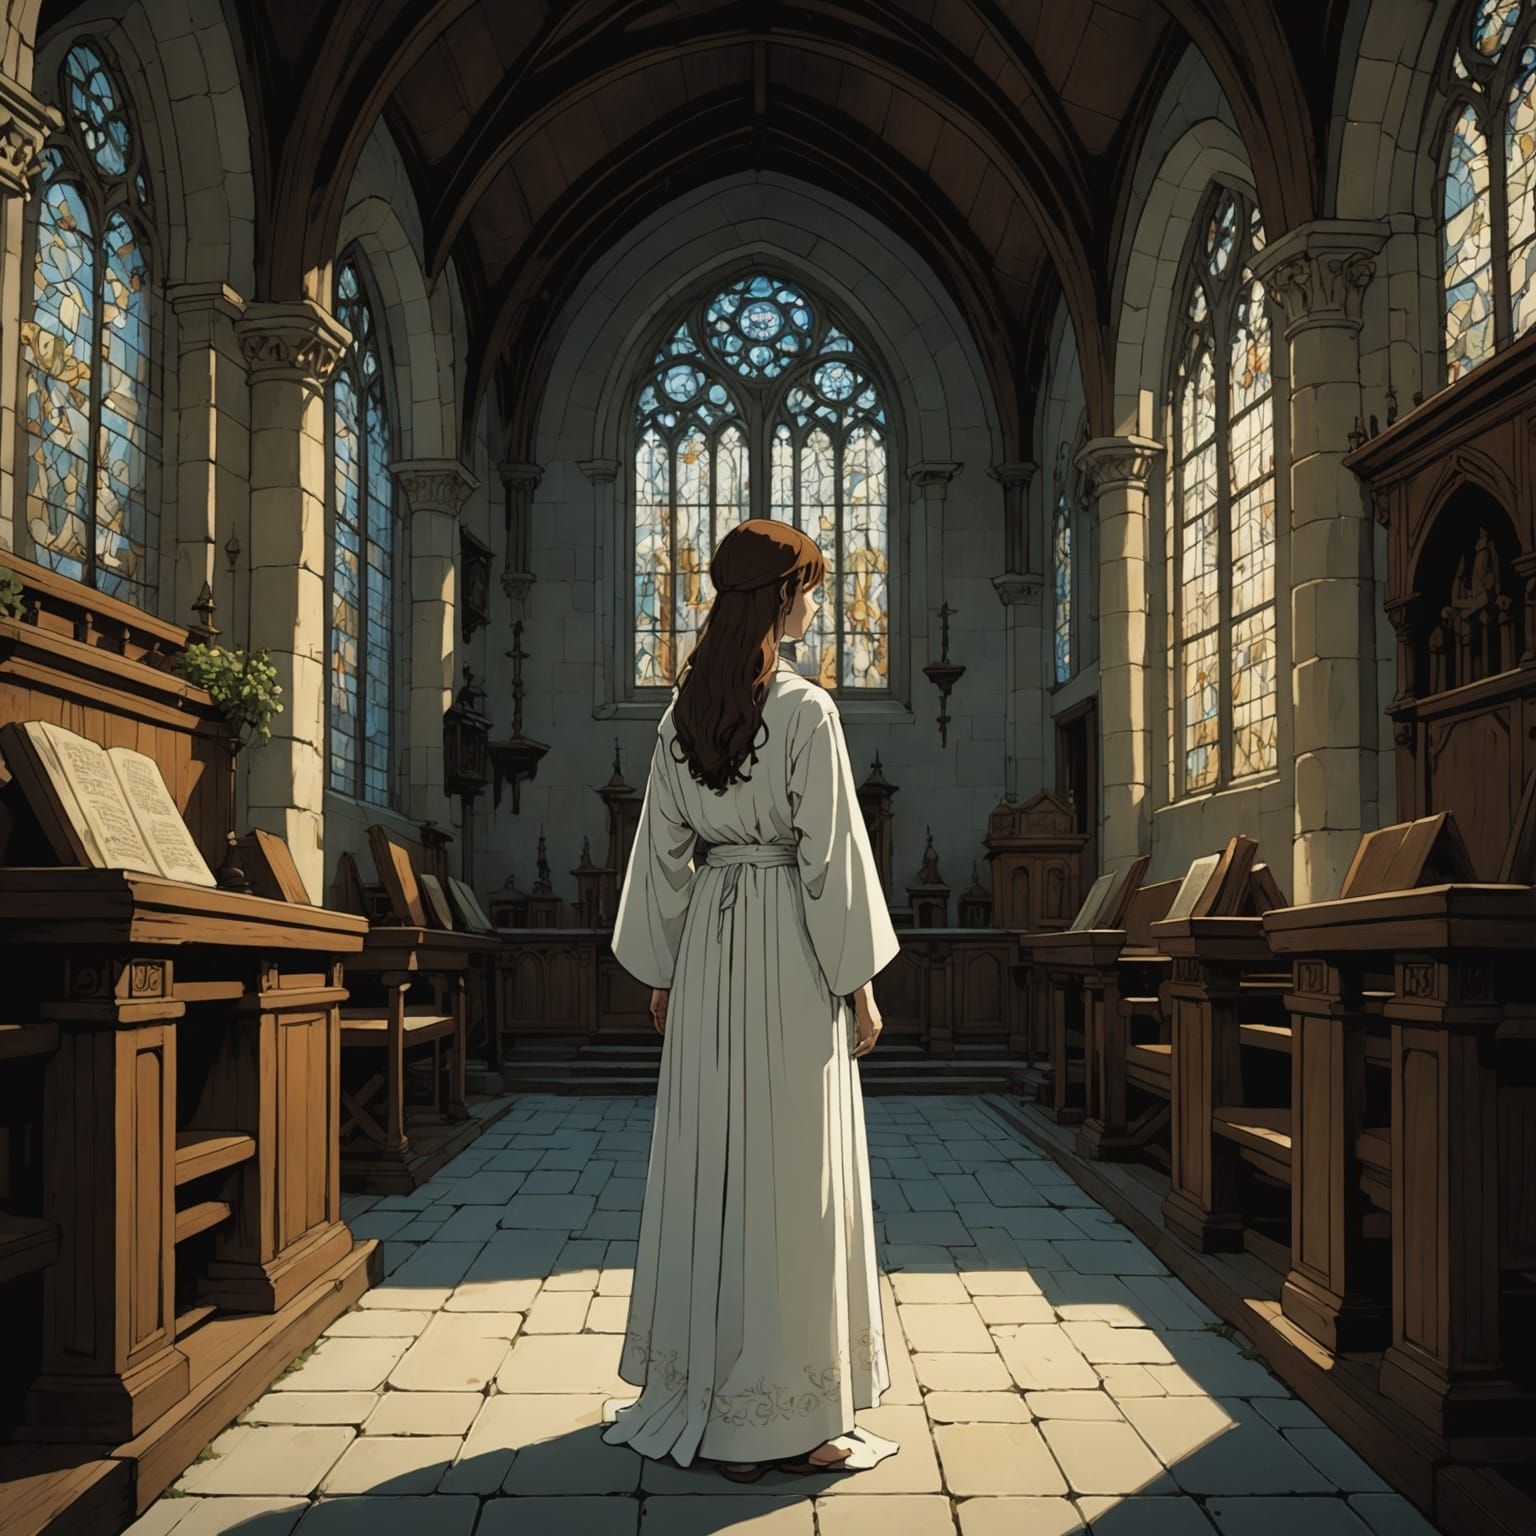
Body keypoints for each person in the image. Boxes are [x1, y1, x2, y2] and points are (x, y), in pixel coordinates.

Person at [601, 518, 901, 1481]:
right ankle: (789, 1419)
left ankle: (714, 1404)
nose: (813, 603)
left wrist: (663, 974)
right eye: (807, 588)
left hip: (710, 960)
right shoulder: (808, 712)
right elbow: (830, 864)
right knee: (791, 1185)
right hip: (787, 952)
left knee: (713, 1172)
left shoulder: (678, 718)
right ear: (778, 600)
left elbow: (662, 857)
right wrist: (857, 985)